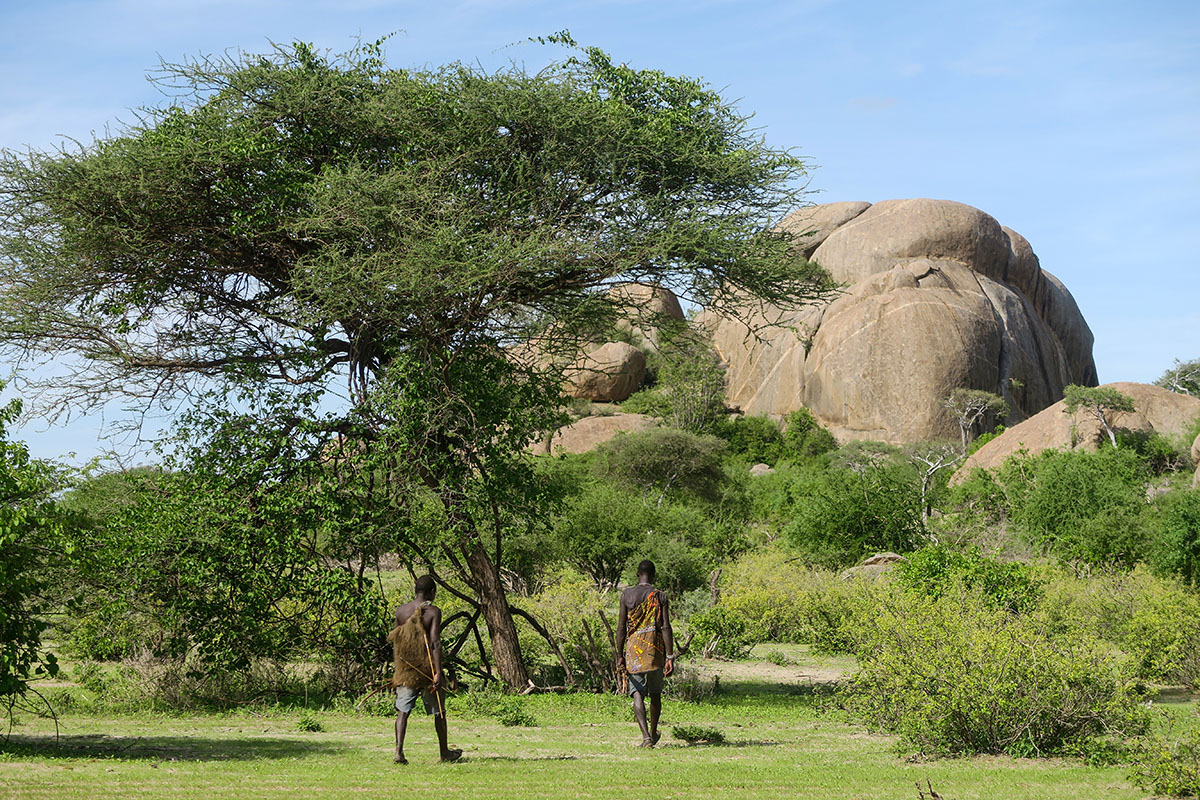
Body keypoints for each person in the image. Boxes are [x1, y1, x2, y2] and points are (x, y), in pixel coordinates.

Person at [388, 575, 462, 764]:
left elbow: (397, 643)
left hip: (406, 669)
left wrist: (397, 671)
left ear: (416, 590)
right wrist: (438, 672)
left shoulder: (401, 611)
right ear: (432, 592)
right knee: (439, 711)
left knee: (403, 711)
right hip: (427, 668)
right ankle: (444, 752)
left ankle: (399, 751)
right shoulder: (433, 611)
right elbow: (435, 642)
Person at [615, 559, 676, 747]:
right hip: (655, 650)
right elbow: (666, 627)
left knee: (637, 693)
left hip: (634, 649)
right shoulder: (659, 596)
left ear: (637, 575)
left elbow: (621, 628)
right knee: (655, 693)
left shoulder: (627, 595)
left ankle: (646, 737)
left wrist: (619, 655)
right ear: (654, 575)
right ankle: (653, 731)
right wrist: (670, 656)